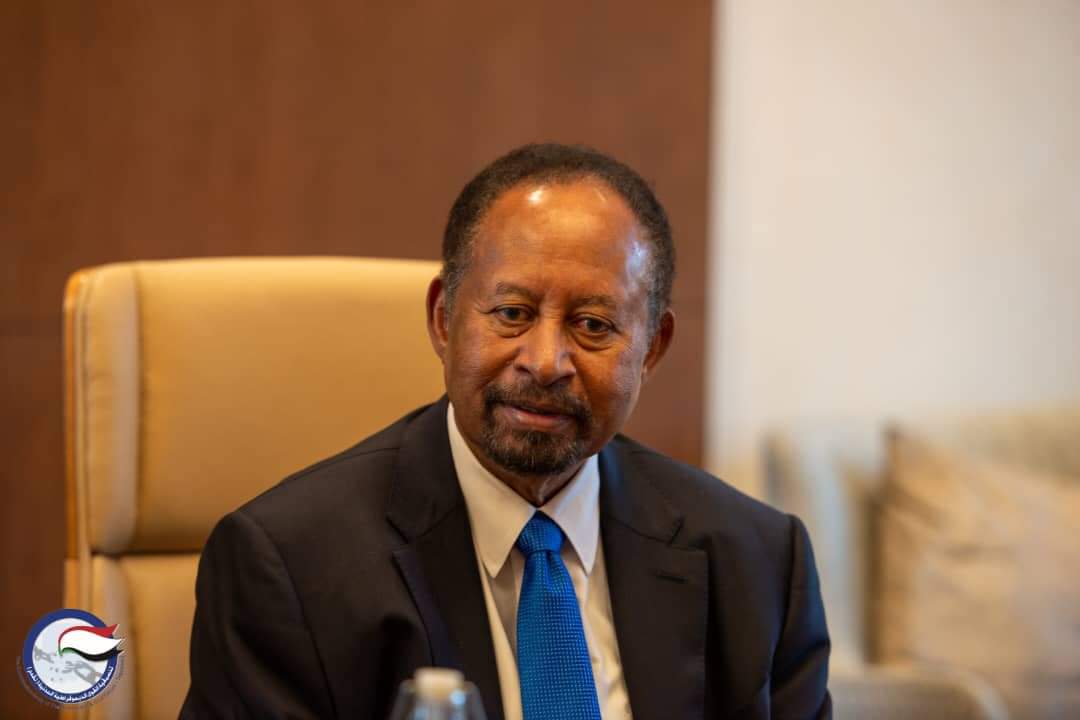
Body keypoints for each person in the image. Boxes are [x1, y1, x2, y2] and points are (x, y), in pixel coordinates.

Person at [181, 143, 831, 719]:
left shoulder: (758, 566)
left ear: (652, 349)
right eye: (512, 313)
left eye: (594, 325)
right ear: (444, 320)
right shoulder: (290, 567)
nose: (545, 363)